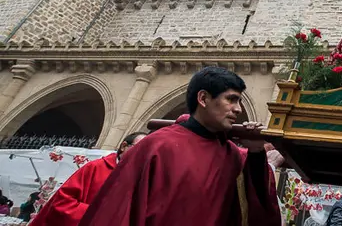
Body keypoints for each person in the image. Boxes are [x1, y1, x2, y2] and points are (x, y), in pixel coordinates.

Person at [79, 67, 281, 226]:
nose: (238, 109)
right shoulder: (155, 147)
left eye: (239, 101)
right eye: (231, 100)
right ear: (203, 99)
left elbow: (254, 207)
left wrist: (255, 152)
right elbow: (116, 212)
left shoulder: (234, 156)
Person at [29, 132, 146, 226]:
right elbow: (62, 203)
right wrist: (100, 214)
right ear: (124, 146)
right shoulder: (96, 167)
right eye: (139, 149)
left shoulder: (140, 180)